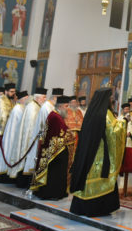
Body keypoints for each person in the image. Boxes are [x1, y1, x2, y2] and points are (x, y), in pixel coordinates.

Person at [70, 88, 126, 216]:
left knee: (87, 178)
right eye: (110, 98)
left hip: (88, 154)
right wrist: (123, 122)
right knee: (101, 180)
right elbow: (113, 132)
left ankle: (81, 207)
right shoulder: (106, 114)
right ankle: (98, 208)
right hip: (100, 155)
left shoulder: (91, 112)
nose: (111, 100)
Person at [30, 96, 74, 199]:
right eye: (66, 106)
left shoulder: (56, 115)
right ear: (61, 106)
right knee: (54, 174)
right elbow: (58, 136)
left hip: (55, 151)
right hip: (55, 153)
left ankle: (56, 192)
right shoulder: (55, 117)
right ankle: (53, 193)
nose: (67, 109)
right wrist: (70, 136)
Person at [22, 87, 61, 185]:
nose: (45, 99)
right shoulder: (45, 107)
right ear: (55, 97)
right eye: (44, 97)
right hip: (40, 138)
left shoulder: (48, 106)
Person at [0, 90, 29, 181]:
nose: (27, 100)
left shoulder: (22, 108)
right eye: (26, 98)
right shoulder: (18, 109)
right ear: (22, 99)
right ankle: (3, 175)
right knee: (8, 153)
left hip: (16, 136)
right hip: (12, 137)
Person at [15, 87, 47, 188]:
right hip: (30, 141)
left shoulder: (35, 106)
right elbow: (30, 128)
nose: (45, 99)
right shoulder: (32, 108)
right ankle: (23, 183)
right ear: (38, 98)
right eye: (44, 97)